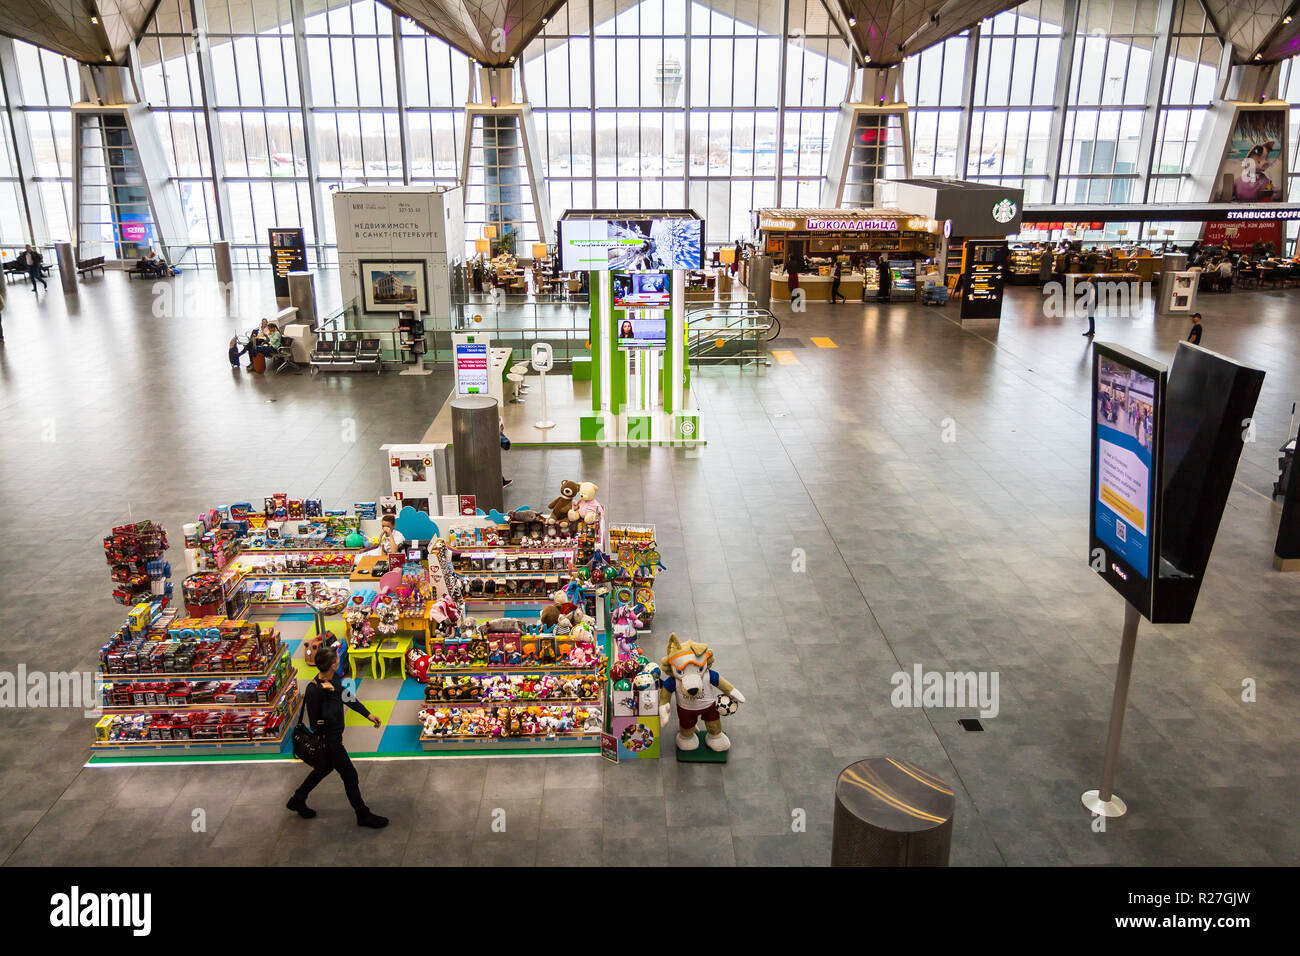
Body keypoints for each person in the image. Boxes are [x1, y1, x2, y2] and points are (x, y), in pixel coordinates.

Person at [286, 646, 388, 828]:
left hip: (333, 738)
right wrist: (331, 694)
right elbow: (319, 721)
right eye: (337, 660)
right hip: (329, 742)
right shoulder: (314, 690)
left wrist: (368, 714)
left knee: (322, 769)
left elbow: (346, 697)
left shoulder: (334, 679)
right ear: (333, 665)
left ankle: (297, 799)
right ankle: (362, 815)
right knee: (350, 776)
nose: (339, 661)